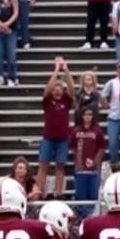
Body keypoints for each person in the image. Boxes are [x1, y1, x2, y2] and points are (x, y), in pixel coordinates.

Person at [37, 58, 74, 198]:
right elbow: (47, 89)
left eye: (59, 87)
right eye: (55, 88)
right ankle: (39, 190)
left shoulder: (66, 100)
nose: (57, 89)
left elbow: (71, 88)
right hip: (48, 137)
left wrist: (66, 70)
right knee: (43, 165)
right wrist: (56, 70)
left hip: (63, 138)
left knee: (60, 166)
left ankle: (59, 192)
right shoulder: (47, 101)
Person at [69, 106, 105, 210]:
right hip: (80, 170)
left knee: (93, 196)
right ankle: (82, 218)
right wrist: (77, 160)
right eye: (86, 114)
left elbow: (101, 147)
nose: (88, 117)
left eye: (90, 114)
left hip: (93, 170)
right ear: (82, 116)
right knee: (81, 197)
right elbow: (73, 147)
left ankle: (92, 216)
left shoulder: (98, 131)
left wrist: (96, 161)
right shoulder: (75, 131)